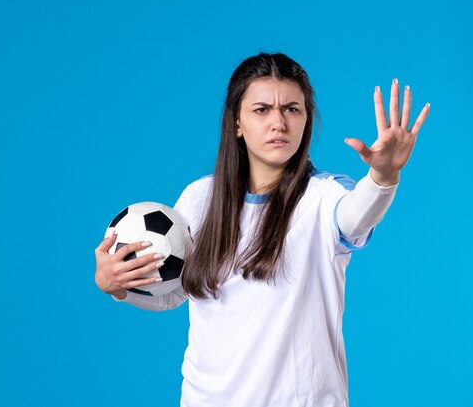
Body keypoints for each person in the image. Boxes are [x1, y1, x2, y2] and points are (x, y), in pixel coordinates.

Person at [94, 52, 430, 407]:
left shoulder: (325, 196)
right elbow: (179, 292)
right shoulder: (198, 198)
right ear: (236, 122)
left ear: (306, 121)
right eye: (261, 110)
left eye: (292, 109)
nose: (278, 122)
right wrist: (117, 287)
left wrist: (383, 177)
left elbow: (358, 214)